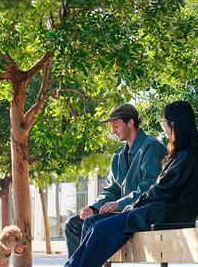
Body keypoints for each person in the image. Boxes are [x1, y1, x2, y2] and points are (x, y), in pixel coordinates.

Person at [27, 101, 198, 267]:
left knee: (97, 226)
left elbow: (160, 189)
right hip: (155, 212)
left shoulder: (183, 154)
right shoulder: (182, 154)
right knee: (85, 224)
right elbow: (128, 189)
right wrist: (96, 207)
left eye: (164, 122)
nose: (163, 128)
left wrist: (131, 205)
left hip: (163, 216)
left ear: (174, 123)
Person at [64, 102, 166, 258]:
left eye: (116, 126)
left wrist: (119, 203)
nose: (112, 132)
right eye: (111, 127)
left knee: (92, 222)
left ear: (130, 122)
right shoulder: (118, 156)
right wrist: (94, 207)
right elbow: (112, 189)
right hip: (124, 215)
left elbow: (150, 187)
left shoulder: (152, 147)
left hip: (143, 215)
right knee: (72, 224)